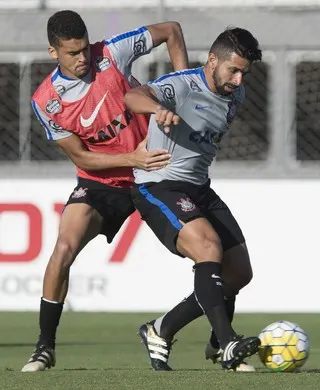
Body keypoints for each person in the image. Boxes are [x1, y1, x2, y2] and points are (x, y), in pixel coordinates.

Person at [21, 10, 189, 372]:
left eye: (84, 49)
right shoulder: (45, 101)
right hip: (102, 182)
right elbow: (81, 156)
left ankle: (220, 341)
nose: (83, 59)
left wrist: (182, 91)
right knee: (64, 247)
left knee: (205, 247)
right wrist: (132, 157)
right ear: (54, 53)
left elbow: (171, 31)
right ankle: (44, 347)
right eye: (72, 53)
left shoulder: (112, 52)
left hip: (153, 174)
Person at [124, 27, 262, 371]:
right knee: (208, 247)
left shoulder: (236, 95)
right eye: (233, 69)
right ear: (213, 60)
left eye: (244, 71)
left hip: (199, 187)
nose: (238, 78)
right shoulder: (183, 84)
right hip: (159, 185)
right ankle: (227, 343)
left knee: (239, 272)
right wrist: (156, 109)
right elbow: (133, 97)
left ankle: (162, 329)